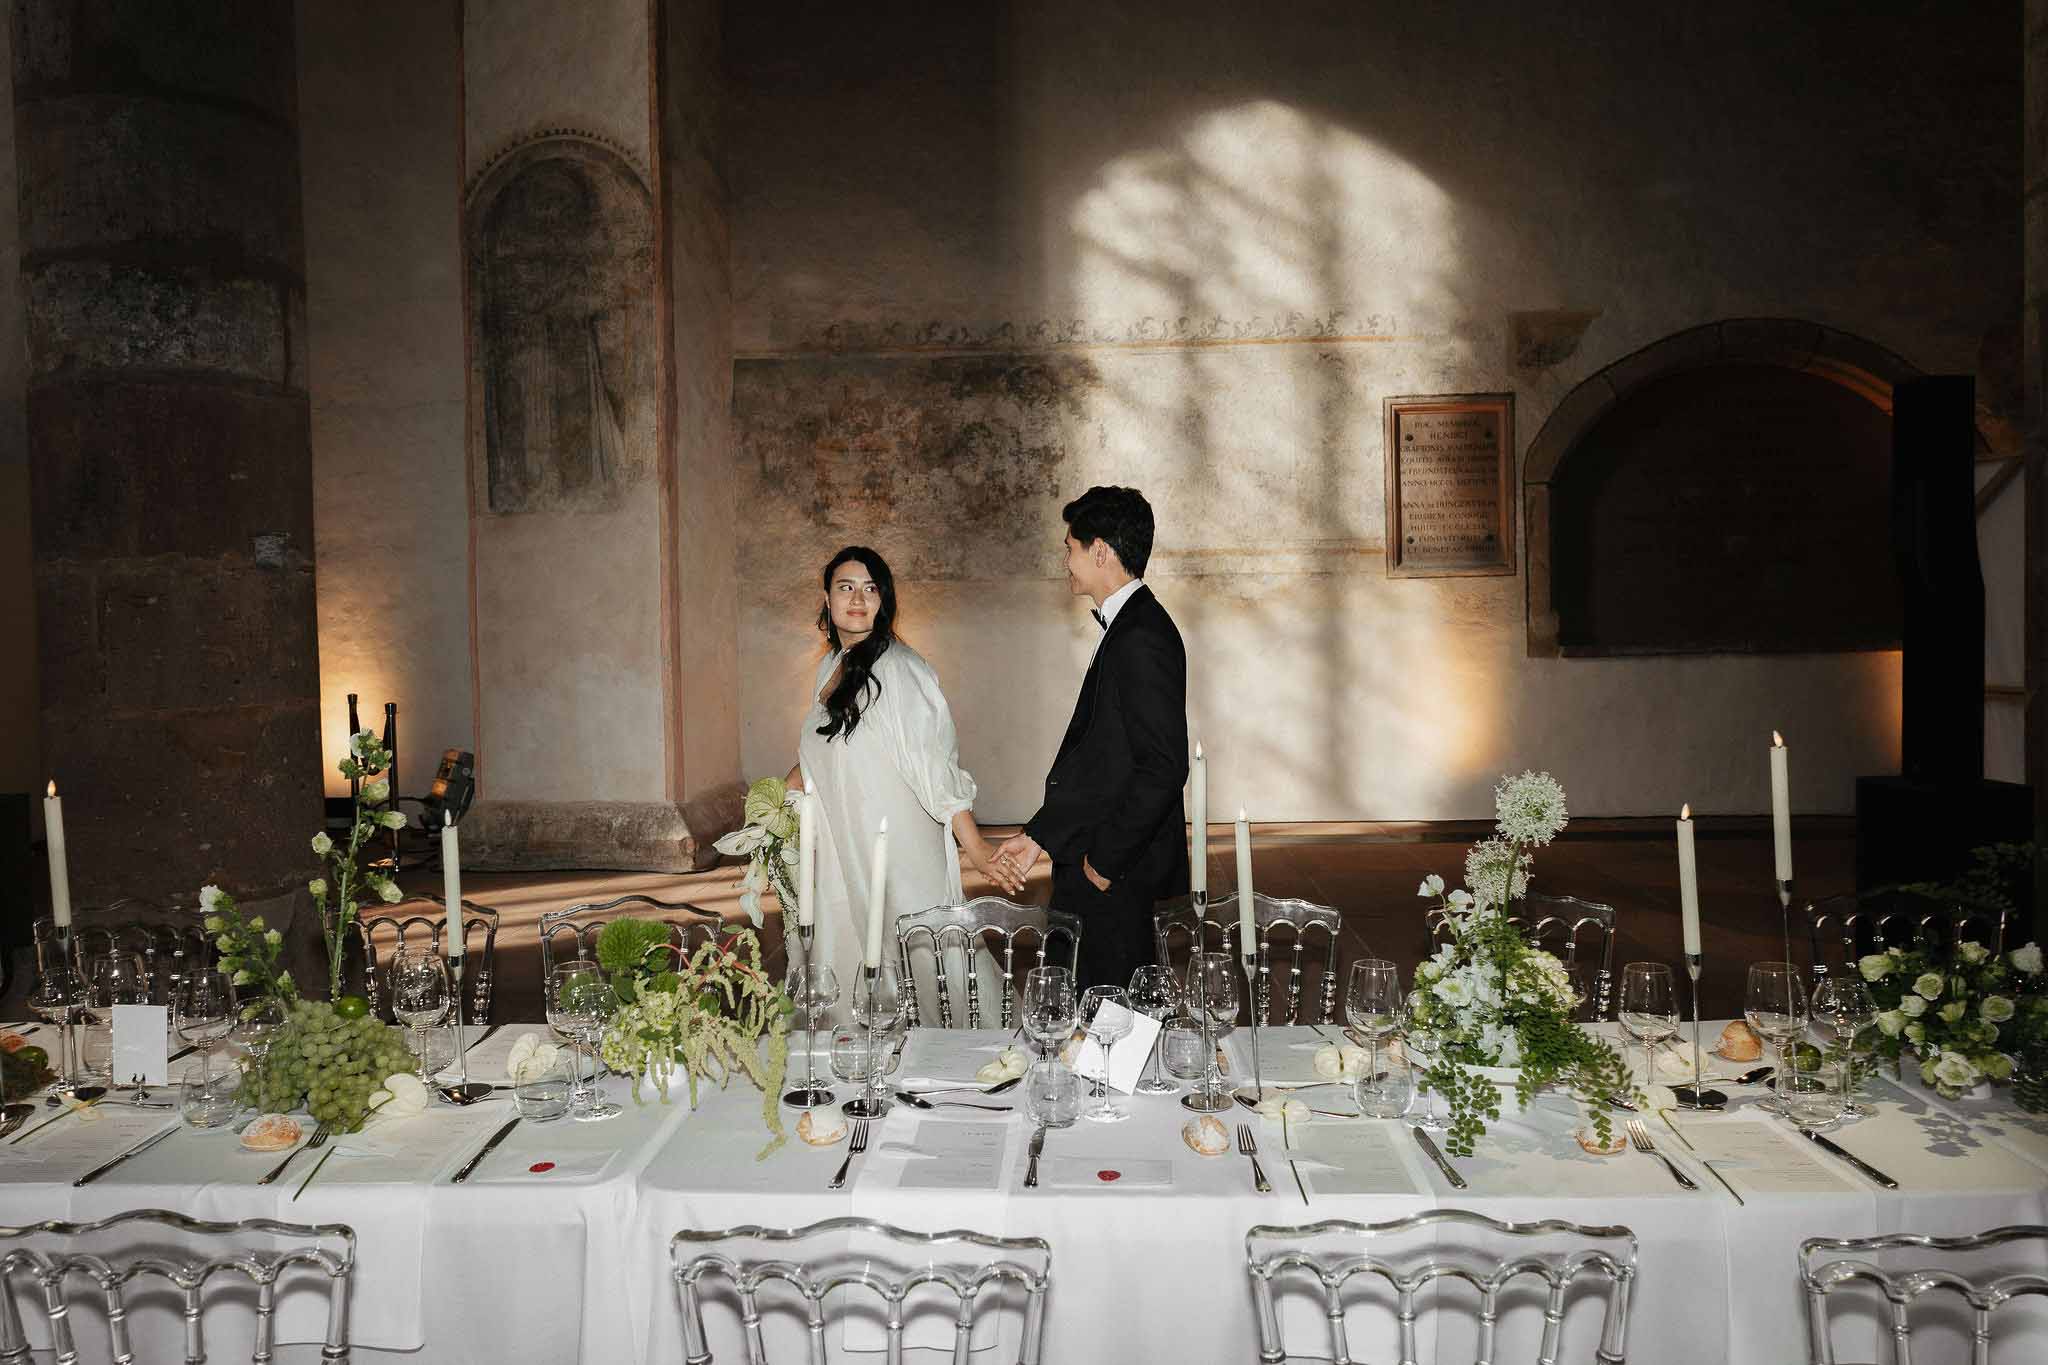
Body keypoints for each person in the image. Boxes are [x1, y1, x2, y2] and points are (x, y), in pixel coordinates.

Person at [790, 546, 1022, 1012]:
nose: (857, 599)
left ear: (885, 599)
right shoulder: (830, 666)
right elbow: (820, 753)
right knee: (854, 943)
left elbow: (935, 766)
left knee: (926, 962)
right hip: (844, 843)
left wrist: (975, 848)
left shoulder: (900, 669)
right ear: (827, 597)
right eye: (846, 587)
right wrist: (772, 805)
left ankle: (966, 1051)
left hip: (897, 849)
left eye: (870, 588)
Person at [996, 487, 1189, 988]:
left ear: (1099, 550)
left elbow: (1163, 766)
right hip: (1099, 859)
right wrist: (1039, 834)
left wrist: (1103, 864)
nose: (1065, 559)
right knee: (1085, 1013)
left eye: (1070, 547)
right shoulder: (1130, 626)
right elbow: (1104, 762)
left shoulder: (1141, 636)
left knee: (1108, 1018)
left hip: (1115, 872)